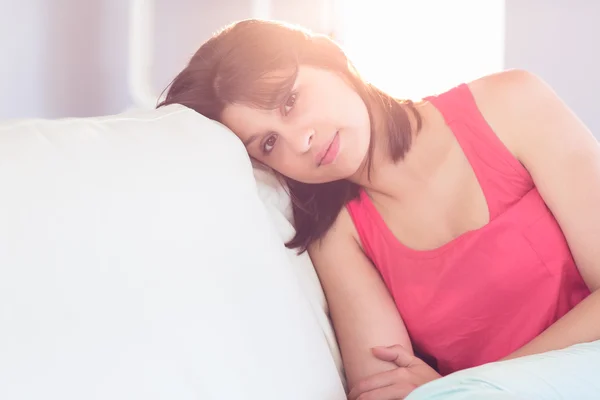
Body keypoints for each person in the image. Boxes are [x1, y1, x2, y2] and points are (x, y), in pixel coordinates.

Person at [158, 19, 600, 399]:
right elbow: (385, 390)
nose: (300, 141)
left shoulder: (510, 103)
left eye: (290, 101)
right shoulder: (339, 235)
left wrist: (473, 384)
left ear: (332, 59)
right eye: (270, 143)